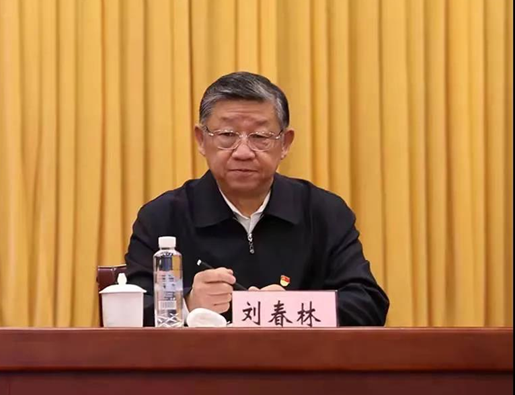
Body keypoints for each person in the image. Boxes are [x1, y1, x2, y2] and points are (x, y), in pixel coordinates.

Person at [125, 71, 389, 326]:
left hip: (295, 357)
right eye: (227, 135)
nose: (243, 152)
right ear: (201, 140)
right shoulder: (162, 216)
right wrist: (187, 305)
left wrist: (289, 309)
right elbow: (129, 314)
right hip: (203, 359)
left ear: (285, 143)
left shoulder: (323, 212)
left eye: (260, 137)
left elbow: (368, 304)